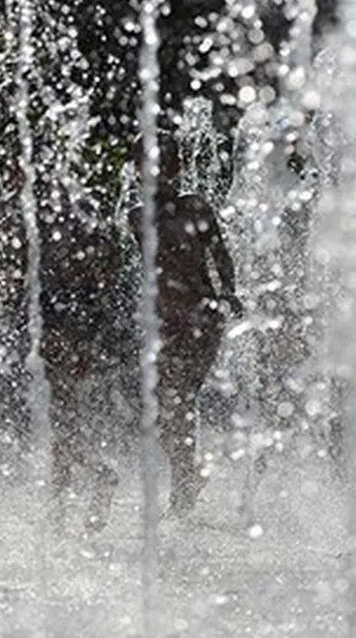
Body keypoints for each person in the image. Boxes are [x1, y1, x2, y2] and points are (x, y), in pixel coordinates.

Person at [129, 133, 242, 516]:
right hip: (164, 322)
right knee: (165, 407)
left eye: (163, 165)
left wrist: (229, 291)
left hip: (200, 318)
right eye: (146, 166)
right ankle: (188, 475)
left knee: (177, 401)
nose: (154, 173)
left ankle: (184, 484)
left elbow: (220, 252)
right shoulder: (136, 215)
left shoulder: (195, 207)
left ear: (177, 168)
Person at [39, 195, 127, 532]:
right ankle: (57, 508)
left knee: (63, 424)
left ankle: (98, 478)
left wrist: (80, 347)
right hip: (70, 341)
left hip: (74, 343)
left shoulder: (79, 252)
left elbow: (92, 302)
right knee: (62, 423)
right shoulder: (89, 249)